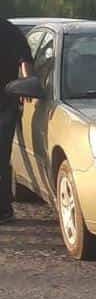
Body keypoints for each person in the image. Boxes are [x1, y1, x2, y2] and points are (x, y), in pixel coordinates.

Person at [0, 17, 33, 224]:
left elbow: (25, 61)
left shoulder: (8, 31)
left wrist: (27, 85)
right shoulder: (10, 31)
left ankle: (3, 208)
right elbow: (25, 61)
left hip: (4, 104)